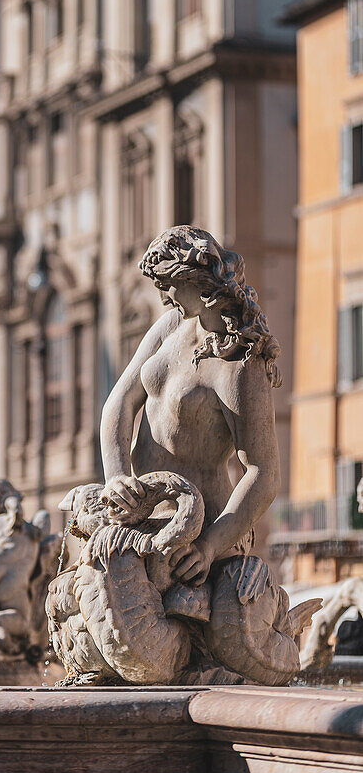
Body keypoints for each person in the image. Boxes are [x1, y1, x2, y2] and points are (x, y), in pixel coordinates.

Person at [100, 225, 282, 588]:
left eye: (169, 284)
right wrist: (117, 475)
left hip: (198, 531)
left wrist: (209, 547)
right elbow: (119, 401)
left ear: (198, 283)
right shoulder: (171, 325)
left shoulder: (242, 366)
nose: (165, 297)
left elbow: (264, 472)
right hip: (139, 514)